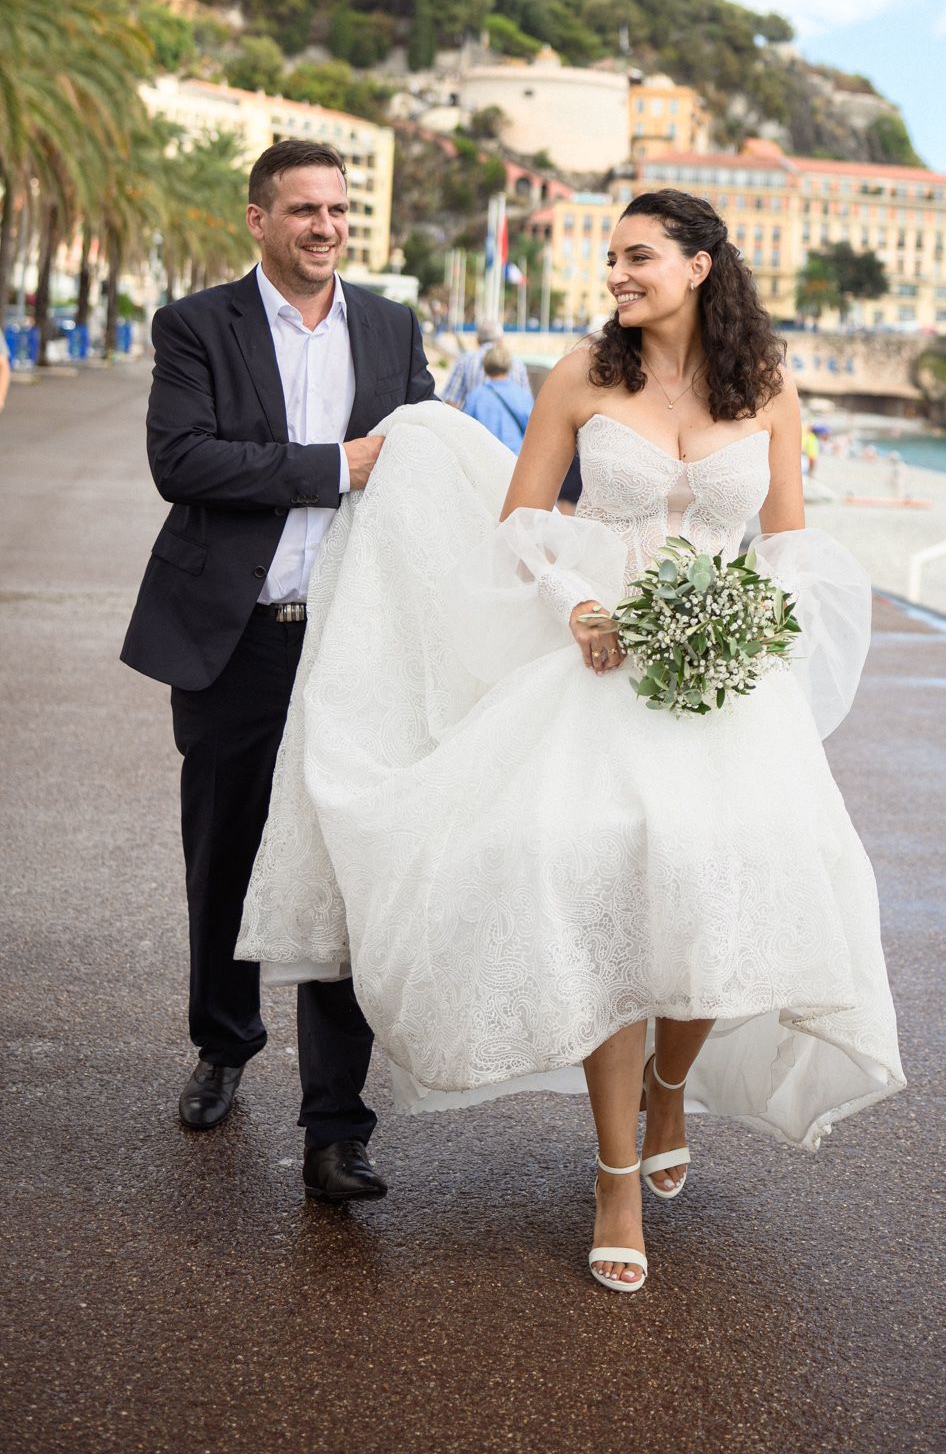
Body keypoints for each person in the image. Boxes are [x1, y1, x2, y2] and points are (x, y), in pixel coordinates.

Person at [240, 188, 903, 1295]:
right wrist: (574, 606)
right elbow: (519, 527)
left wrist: (755, 621)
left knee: (731, 888)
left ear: (698, 265)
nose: (617, 274)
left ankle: (673, 1082)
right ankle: (613, 1178)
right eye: (612, 258)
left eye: (638, 256)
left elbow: (787, 544)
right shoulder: (582, 376)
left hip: (728, 686)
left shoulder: (771, 387)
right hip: (599, 670)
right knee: (609, 898)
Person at [120, 139, 438, 1203]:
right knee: (225, 852)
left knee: (347, 870)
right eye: (301, 207)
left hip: (354, 640)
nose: (324, 225)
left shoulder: (390, 326)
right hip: (237, 634)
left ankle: (338, 1123)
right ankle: (223, 1042)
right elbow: (184, 459)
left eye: (337, 208)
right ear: (256, 218)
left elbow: (426, 464)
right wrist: (331, 469)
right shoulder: (197, 324)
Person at [442, 317, 530, 409]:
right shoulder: (517, 362)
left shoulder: (465, 360)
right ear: (501, 340)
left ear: (478, 340)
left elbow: (451, 401)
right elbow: (526, 400)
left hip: (473, 421)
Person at [462, 341, 533, 453]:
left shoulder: (475, 396)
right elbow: (532, 429)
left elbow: (466, 430)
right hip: (514, 458)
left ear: (485, 366)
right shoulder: (522, 395)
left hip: (485, 457)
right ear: (509, 366)